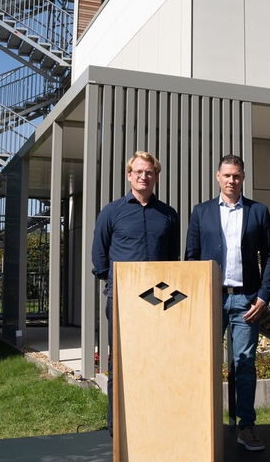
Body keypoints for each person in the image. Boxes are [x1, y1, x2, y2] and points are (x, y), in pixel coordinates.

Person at [184, 154, 270, 452]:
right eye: (227, 175)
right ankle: (201, 424)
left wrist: (263, 295)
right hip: (211, 299)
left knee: (245, 364)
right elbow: (191, 257)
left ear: (243, 177)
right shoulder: (201, 212)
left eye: (236, 175)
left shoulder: (258, 211)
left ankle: (246, 427)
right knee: (203, 362)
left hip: (246, 300)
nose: (231, 180)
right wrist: (198, 297)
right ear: (217, 177)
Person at [91, 151, 180, 436]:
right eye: (138, 172)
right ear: (129, 175)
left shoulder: (168, 214)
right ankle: (117, 427)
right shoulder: (111, 212)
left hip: (158, 301)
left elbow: (173, 259)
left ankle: (152, 421)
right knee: (120, 363)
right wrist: (117, 285)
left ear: (156, 177)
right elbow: (99, 256)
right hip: (121, 301)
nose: (144, 176)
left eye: (149, 172)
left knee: (156, 360)